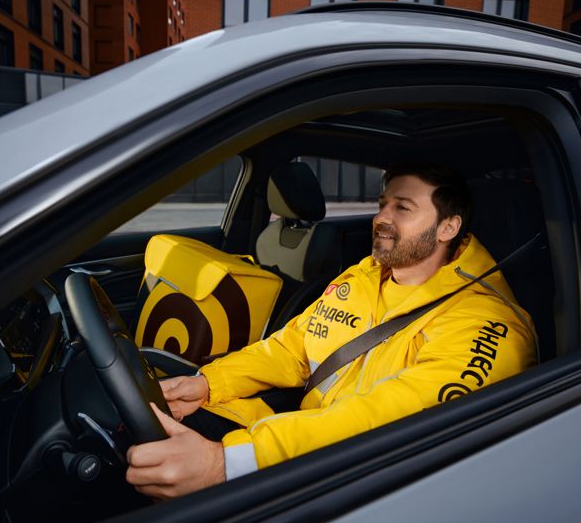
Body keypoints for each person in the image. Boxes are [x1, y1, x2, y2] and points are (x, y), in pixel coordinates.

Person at [126, 163, 536, 500]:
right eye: (383, 204)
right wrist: (208, 384)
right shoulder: (363, 277)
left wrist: (225, 463)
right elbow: (291, 348)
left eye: (403, 208)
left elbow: (383, 420)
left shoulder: (487, 324)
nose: (382, 218)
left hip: (358, 482)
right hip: (298, 446)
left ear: (447, 228)